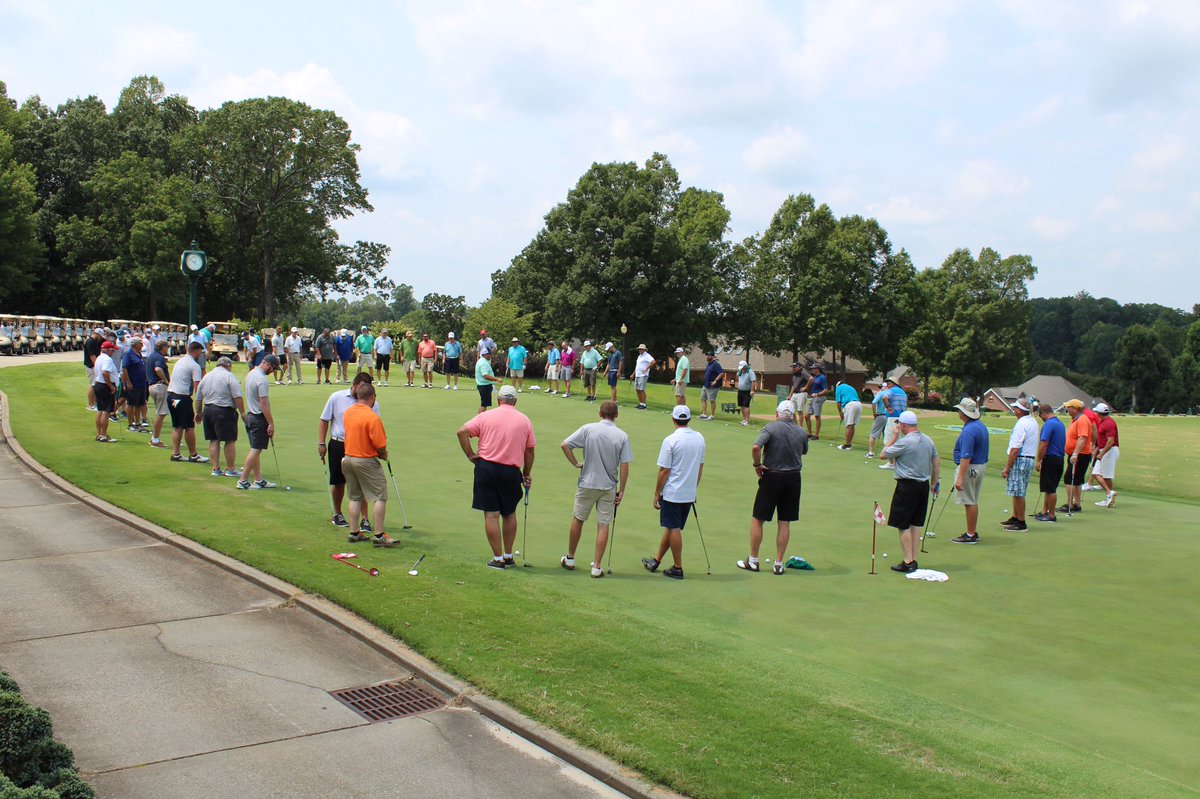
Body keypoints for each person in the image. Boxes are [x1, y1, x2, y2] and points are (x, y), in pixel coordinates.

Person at [456, 385, 536, 569]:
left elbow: (462, 432)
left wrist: (470, 454)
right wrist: (526, 474)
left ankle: (498, 558)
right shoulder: (524, 420)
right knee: (509, 513)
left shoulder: (485, 416)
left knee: (491, 515)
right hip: (510, 472)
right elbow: (530, 451)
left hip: (486, 468)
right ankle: (508, 556)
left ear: (499, 400)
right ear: (515, 401)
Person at [559, 400, 632, 578]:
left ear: (600, 414)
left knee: (578, 518)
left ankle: (570, 558)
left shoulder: (588, 429)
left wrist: (576, 463)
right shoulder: (622, 436)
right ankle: (597, 567)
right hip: (608, 486)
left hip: (587, 483)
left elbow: (565, 445)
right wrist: (621, 491)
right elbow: (624, 465)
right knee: (603, 525)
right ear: (616, 415)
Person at [736, 401, 808, 575]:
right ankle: (778, 563)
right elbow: (804, 451)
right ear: (791, 415)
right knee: (784, 522)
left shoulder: (771, 428)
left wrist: (757, 464)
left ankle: (753, 560)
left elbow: (756, 447)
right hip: (793, 478)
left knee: (758, 519)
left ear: (777, 414)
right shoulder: (801, 431)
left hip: (772, 476)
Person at [642, 405, 705, 580]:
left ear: (673, 419)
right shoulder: (699, 438)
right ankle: (656, 560)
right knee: (671, 527)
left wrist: (657, 493)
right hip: (688, 492)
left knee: (674, 528)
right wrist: (693, 488)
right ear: (689, 419)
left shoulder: (670, 440)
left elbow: (664, 471)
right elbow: (700, 467)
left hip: (673, 492)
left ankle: (678, 568)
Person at [881, 410, 940, 573]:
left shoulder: (904, 442)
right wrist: (934, 483)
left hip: (907, 486)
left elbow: (883, 454)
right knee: (915, 523)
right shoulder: (928, 440)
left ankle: (908, 561)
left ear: (903, 425)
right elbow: (936, 462)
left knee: (903, 524)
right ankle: (913, 559)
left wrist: (893, 436)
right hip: (923, 486)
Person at [318, 372, 379, 531]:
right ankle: (337, 513)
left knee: (361, 483)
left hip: (360, 446)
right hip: (338, 444)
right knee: (338, 482)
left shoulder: (372, 402)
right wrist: (321, 443)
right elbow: (324, 420)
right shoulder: (336, 397)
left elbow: (374, 427)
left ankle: (364, 519)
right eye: (361, 387)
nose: (362, 391)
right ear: (354, 384)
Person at [341, 382, 397, 547]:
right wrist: (383, 454)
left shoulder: (348, 413)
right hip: (365, 460)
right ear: (372, 398)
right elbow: (380, 445)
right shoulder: (372, 417)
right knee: (380, 496)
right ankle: (379, 535)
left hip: (348, 458)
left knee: (355, 496)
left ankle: (354, 532)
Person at [195, 355, 246, 477]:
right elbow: (237, 396)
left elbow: (198, 397)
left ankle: (216, 468)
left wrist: (198, 412)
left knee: (214, 439)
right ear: (228, 365)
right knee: (229, 440)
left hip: (208, 409)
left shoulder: (206, 376)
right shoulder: (229, 376)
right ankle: (230, 468)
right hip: (223, 410)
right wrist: (242, 412)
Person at [237, 355, 278, 490]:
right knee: (256, 449)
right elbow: (264, 404)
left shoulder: (251, 373)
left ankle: (258, 479)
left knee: (256, 448)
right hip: (258, 417)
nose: (272, 371)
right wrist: (271, 423)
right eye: (273, 368)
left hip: (250, 415)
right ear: (268, 365)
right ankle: (243, 480)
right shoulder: (261, 380)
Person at [950, 398, 988, 544]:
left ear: (964, 413)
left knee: (969, 501)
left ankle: (971, 534)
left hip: (970, 468)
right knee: (972, 500)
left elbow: (966, 456)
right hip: (979, 467)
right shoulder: (979, 426)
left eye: (959, 410)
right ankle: (971, 532)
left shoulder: (969, 431)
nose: (958, 412)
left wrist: (959, 478)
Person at [999, 399, 1039, 531]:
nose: (1014, 410)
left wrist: (1007, 467)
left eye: (1015, 408)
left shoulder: (1021, 423)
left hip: (1020, 459)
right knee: (1018, 491)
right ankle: (1015, 517)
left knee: (1018, 492)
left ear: (1019, 410)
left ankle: (1021, 522)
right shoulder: (1032, 421)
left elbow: (1015, 448)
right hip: (1029, 458)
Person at [166, 341, 209, 463]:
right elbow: (198, 389)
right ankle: (193, 455)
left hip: (171, 397)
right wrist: (199, 410)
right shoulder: (194, 366)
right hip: (182, 398)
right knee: (189, 427)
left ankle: (176, 454)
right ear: (195, 351)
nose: (200, 356)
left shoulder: (180, 361)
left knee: (178, 425)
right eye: (200, 353)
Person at [1034, 404, 1066, 523]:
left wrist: (1039, 460)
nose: (1040, 417)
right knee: (1048, 487)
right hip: (1059, 459)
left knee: (1051, 489)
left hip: (1051, 458)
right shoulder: (1059, 423)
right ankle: (1044, 511)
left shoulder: (1049, 424)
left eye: (1040, 414)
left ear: (1043, 412)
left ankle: (1051, 515)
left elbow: (1044, 443)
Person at [1060, 399, 1093, 514]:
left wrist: (1075, 453)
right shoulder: (1076, 419)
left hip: (1080, 455)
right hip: (1077, 454)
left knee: (1069, 478)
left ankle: (1070, 504)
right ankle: (1076, 503)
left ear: (1074, 409)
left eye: (1068, 407)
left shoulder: (1082, 420)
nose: (1067, 409)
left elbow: (1082, 438)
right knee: (1077, 480)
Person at [1090, 403, 1120, 508]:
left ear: (1099, 413)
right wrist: (1097, 450)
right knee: (1096, 473)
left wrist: (1101, 454)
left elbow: (1110, 441)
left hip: (1109, 451)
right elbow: (1102, 440)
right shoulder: (1104, 422)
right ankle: (1109, 495)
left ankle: (1109, 495)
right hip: (1105, 450)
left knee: (1106, 476)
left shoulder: (1109, 423)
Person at [92, 340, 120, 443]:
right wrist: (111, 387)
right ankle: (103, 435)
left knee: (100, 410)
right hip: (105, 386)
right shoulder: (107, 360)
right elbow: (105, 372)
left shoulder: (99, 357)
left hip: (99, 384)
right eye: (112, 350)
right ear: (108, 350)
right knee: (106, 411)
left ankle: (99, 433)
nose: (113, 353)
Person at [121, 337, 149, 433]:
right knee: (131, 404)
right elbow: (124, 368)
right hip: (133, 384)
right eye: (140, 344)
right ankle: (130, 424)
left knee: (139, 404)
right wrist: (128, 382)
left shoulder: (139, 354)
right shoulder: (129, 355)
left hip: (141, 384)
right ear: (136, 345)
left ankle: (137, 423)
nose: (142, 345)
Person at [147, 339, 171, 449]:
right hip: (159, 386)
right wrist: (166, 381)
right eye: (167, 347)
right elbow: (158, 369)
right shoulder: (159, 357)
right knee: (161, 413)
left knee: (160, 412)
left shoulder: (152, 356)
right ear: (163, 348)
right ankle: (155, 440)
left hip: (152, 386)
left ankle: (155, 439)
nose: (168, 349)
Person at [834, 380, 861, 450]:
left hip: (850, 405)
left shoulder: (838, 388)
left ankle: (847, 445)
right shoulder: (851, 387)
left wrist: (840, 413)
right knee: (852, 425)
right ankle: (849, 444)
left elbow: (838, 402)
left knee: (848, 425)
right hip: (858, 404)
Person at [804, 363, 829, 439]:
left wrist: (817, 394)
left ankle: (817, 435)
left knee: (817, 416)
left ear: (818, 369)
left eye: (814, 368)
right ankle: (809, 433)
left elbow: (826, 390)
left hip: (819, 398)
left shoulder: (822, 378)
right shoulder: (814, 377)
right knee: (807, 416)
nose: (813, 370)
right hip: (813, 397)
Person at [474, 349, 503, 414]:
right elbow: (485, 376)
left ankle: (479, 420)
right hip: (484, 386)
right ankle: (478, 420)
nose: (491, 355)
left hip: (483, 385)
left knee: (484, 404)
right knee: (484, 405)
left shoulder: (482, 361)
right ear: (486, 355)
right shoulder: (483, 363)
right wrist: (497, 379)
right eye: (489, 354)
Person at [868, 382, 890, 459]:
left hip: (880, 415)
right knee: (886, 435)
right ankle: (886, 454)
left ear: (885, 387)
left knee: (873, 434)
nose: (880, 388)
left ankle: (871, 453)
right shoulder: (891, 393)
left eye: (881, 387)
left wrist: (874, 413)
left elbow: (873, 402)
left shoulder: (881, 393)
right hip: (889, 417)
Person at [699, 352, 723, 421]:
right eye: (707, 355)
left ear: (712, 356)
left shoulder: (716, 364)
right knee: (702, 398)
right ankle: (704, 414)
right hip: (706, 385)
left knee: (712, 400)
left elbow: (721, 373)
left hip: (713, 386)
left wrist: (716, 380)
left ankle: (712, 415)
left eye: (708, 356)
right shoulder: (708, 364)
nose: (707, 357)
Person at [83, 327, 103, 411]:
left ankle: (94, 403)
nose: (100, 338)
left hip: (93, 366)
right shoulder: (90, 342)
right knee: (93, 384)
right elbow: (92, 356)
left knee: (95, 384)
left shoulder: (94, 341)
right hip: (91, 366)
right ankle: (91, 405)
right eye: (100, 336)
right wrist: (97, 366)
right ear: (97, 334)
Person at [631, 344, 655, 410]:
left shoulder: (647, 355)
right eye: (639, 349)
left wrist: (647, 368)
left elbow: (653, 362)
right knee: (637, 389)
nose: (640, 350)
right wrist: (633, 374)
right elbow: (637, 366)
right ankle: (640, 403)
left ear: (644, 350)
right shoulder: (639, 356)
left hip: (643, 375)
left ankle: (644, 404)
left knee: (641, 389)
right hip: (637, 375)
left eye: (641, 349)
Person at [786, 363, 810, 427]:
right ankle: (795, 426)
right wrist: (790, 395)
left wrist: (806, 387)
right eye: (792, 367)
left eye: (794, 367)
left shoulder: (803, 373)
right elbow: (793, 386)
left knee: (799, 410)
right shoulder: (794, 375)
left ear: (799, 367)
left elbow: (811, 379)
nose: (793, 368)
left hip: (801, 394)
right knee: (791, 410)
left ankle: (800, 427)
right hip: (794, 394)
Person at [736, 360, 756, 427]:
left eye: (742, 367)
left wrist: (752, 390)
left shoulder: (750, 371)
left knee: (746, 405)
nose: (741, 369)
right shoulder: (740, 371)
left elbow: (753, 381)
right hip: (740, 390)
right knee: (741, 405)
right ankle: (744, 419)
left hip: (747, 391)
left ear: (745, 366)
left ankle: (747, 421)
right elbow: (737, 376)